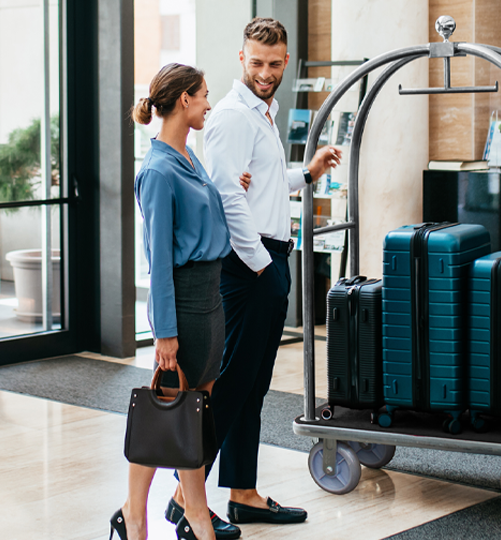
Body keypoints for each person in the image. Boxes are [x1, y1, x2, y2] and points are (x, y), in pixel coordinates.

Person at [184, 17, 340, 528]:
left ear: (287, 60)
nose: (266, 72)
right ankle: (188, 497)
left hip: (266, 257)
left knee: (253, 385)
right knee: (232, 383)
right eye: (257, 63)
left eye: (274, 64)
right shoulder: (232, 116)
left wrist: (309, 172)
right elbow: (230, 198)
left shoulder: (263, 115)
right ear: (241, 58)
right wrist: (263, 267)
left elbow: (265, 186)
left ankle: (243, 493)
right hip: (250, 264)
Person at [113, 63, 229, 540]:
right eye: (203, 95)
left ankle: (140, 512)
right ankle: (182, 516)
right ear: (183, 99)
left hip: (210, 300)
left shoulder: (189, 157)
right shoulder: (158, 170)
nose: (207, 103)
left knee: (189, 415)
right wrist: (164, 332)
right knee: (172, 409)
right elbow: (158, 260)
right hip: (183, 303)